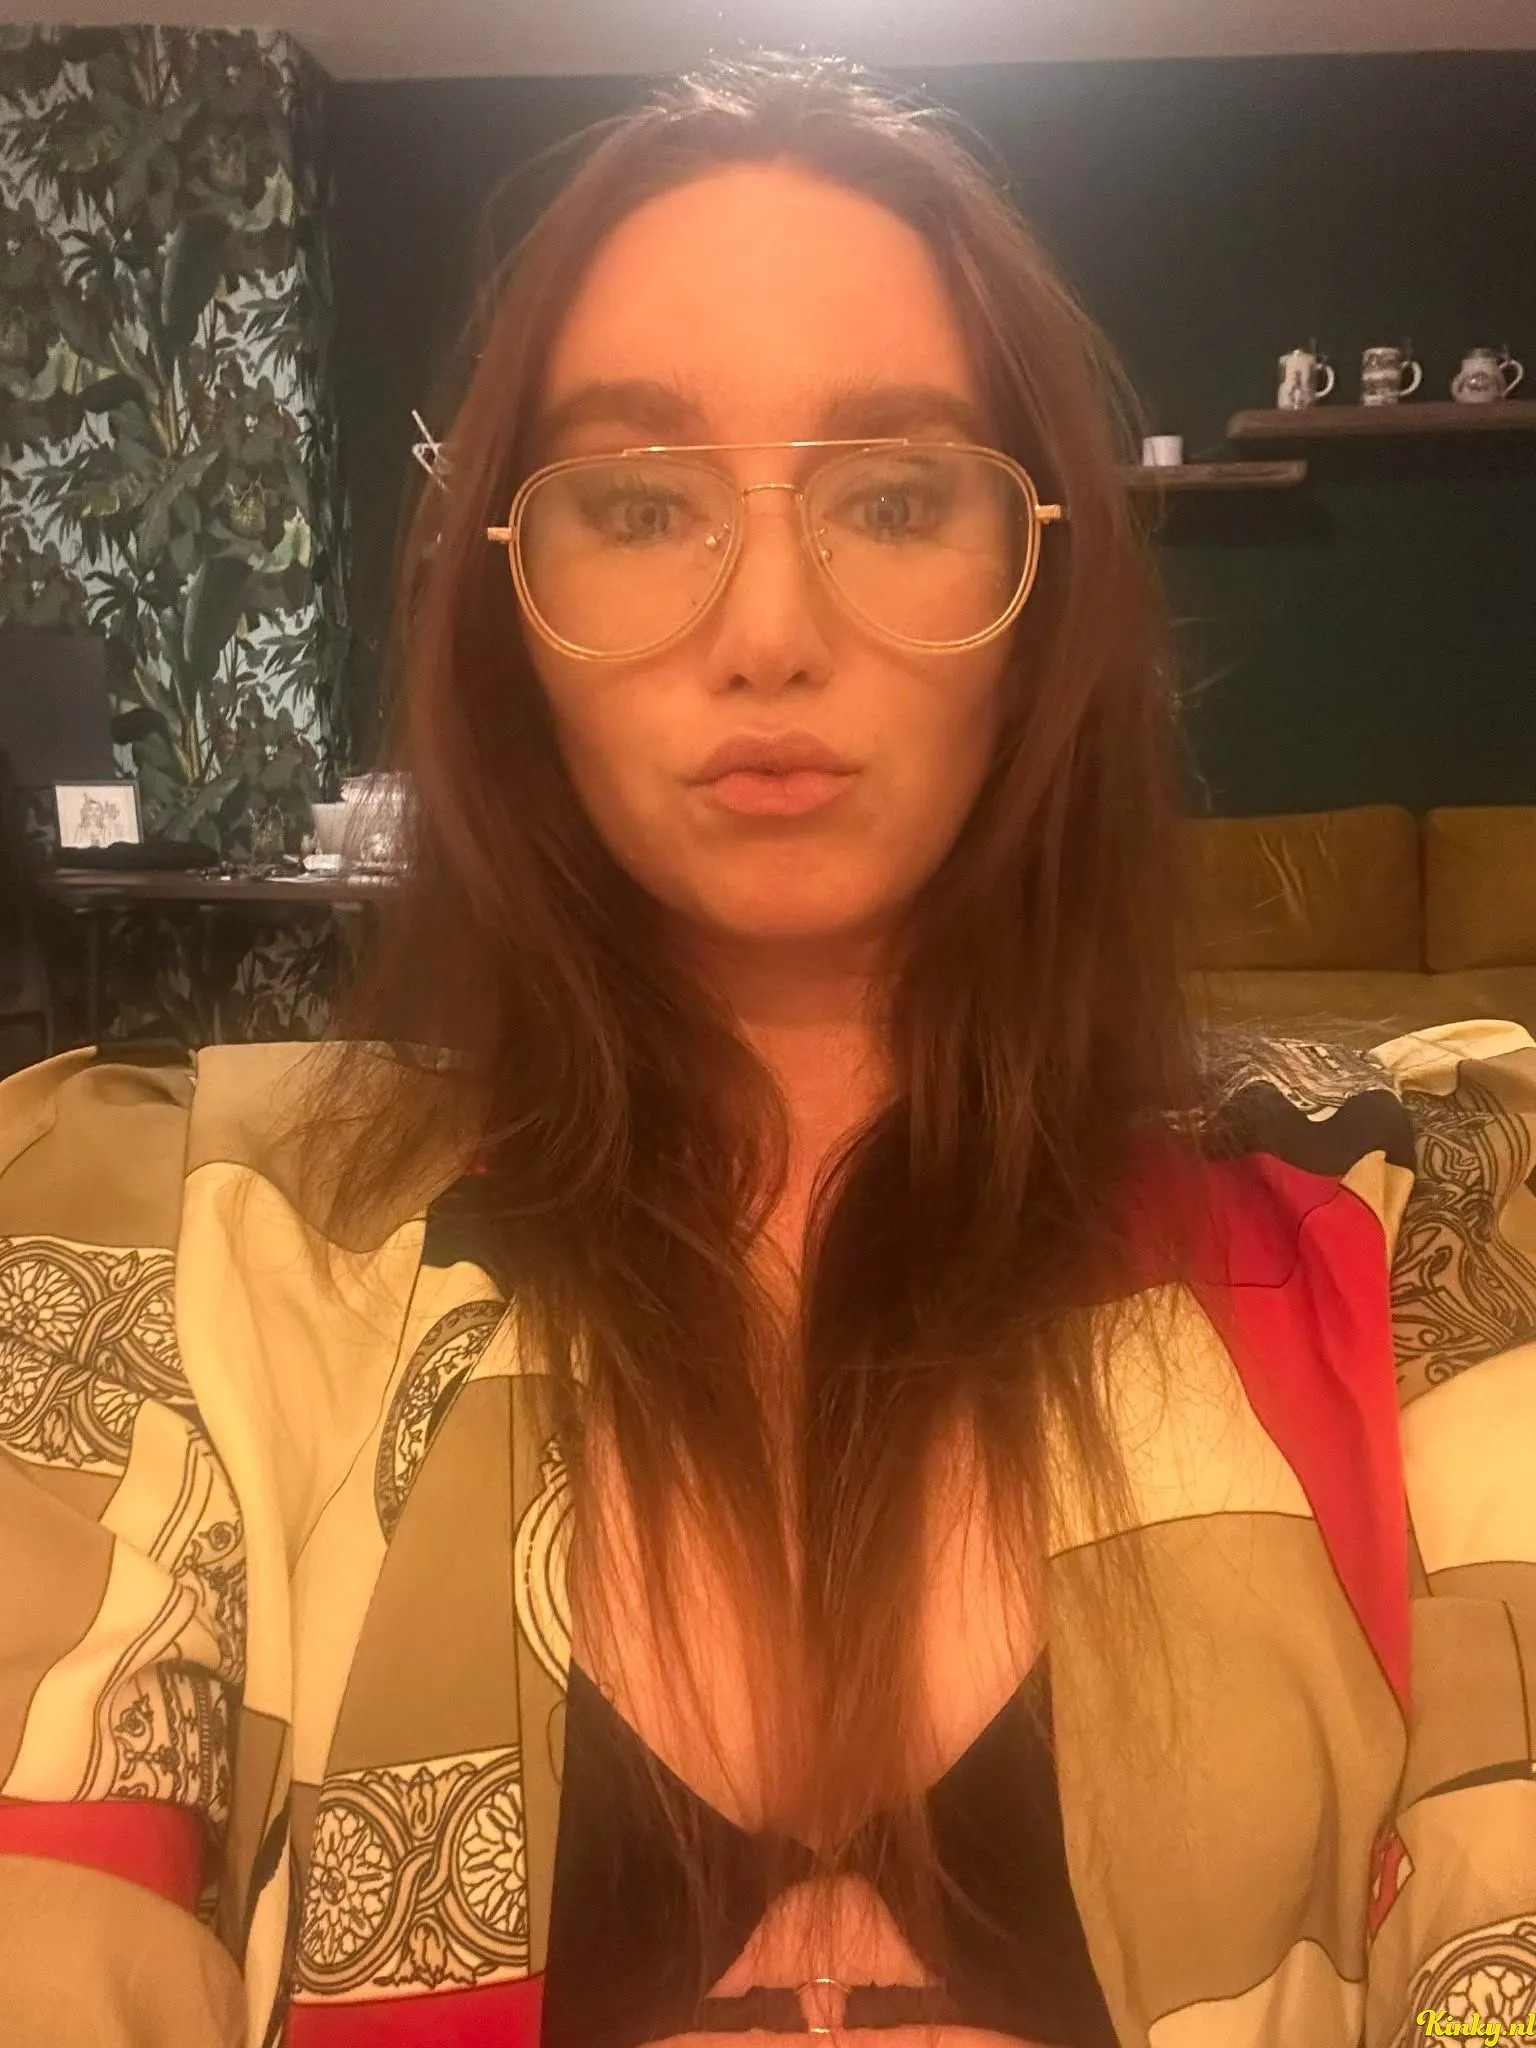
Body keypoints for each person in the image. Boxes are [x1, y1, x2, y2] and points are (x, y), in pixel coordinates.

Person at [1, 49, 1533, 2048]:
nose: (770, 629)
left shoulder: (1431, 1234)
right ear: (510, 605)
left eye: (893, 497)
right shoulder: (172, 1253)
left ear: (1039, 586)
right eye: (642, 505)